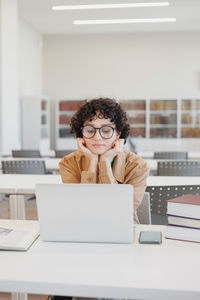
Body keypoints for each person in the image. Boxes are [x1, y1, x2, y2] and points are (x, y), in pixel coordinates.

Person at [59, 97, 149, 223]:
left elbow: (118, 211)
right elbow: (80, 208)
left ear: (118, 133)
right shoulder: (68, 163)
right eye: (90, 130)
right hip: (82, 227)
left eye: (106, 130)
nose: (97, 137)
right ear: (81, 134)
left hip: (122, 229)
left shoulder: (138, 166)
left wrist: (105, 162)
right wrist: (92, 162)